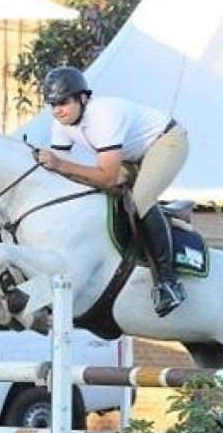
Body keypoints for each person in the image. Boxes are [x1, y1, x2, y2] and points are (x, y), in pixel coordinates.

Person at [34, 66, 189, 317]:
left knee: (139, 199)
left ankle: (167, 283)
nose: (57, 110)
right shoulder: (60, 124)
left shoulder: (103, 114)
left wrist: (59, 164)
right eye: (52, 104)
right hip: (131, 154)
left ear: (83, 98)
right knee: (96, 195)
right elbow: (62, 175)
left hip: (166, 141)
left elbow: (105, 176)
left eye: (63, 102)